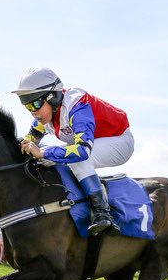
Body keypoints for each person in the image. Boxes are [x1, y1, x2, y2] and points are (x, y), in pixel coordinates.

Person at [12, 67, 133, 235]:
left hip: (119, 140)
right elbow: (31, 138)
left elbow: (82, 151)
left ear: (52, 97)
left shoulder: (76, 105)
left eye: (35, 104)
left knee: (74, 158)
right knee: (48, 158)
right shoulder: (45, 115)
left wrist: (42, 152)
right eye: (27, 106)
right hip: (94, 142)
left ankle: (103, 213)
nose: (33, 112)